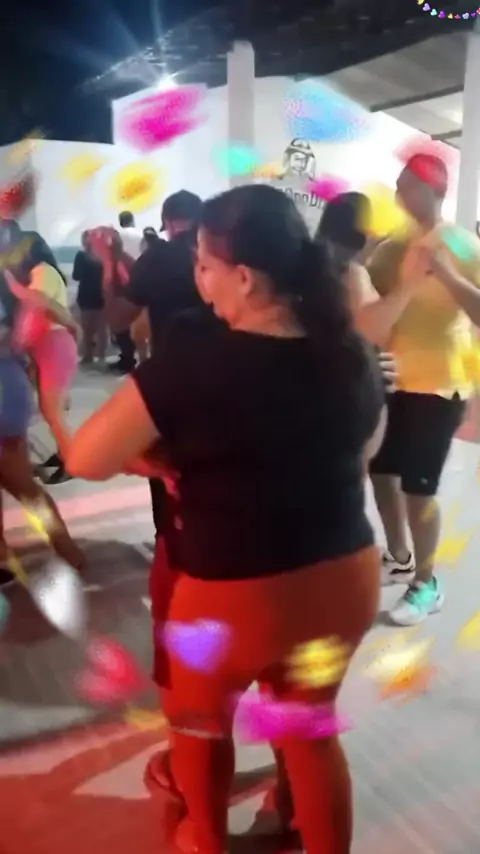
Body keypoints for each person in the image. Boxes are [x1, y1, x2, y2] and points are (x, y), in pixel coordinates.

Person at [52, 185, 385, 854]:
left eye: (204, 264)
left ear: (245, 277)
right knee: (307, 729)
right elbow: (367, 447)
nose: (198, 279)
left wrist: (151, 457)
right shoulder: (347, 348)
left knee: (199, 724)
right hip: (345, 580)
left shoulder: (194, 364)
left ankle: (204, 838)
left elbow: (85, 457)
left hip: (233, 601)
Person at [367, 153, 480, 626]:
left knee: (419, 489)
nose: (399, 194)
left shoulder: (463, 244)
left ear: (434, 189)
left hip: (440, 386)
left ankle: (426, 582)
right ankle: (399, 557)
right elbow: (369, 303)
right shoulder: (392, 247)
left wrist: (447, 275)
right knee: (380, 472)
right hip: (392, 378)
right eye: (397, 185)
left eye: (407, 185)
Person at [0, 272, 83, 588]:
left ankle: (68, 551)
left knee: (21, 483)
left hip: (4, 392)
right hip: (9, 386)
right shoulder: (8, 280)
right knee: (21, 483)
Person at [6, 238, 80, 486]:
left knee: (53, 412)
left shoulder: (42, 271)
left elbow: (38, 302)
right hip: (50, 347)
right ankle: (63, 453)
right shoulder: (39, 273)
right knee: (50, 411)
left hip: (54, 346)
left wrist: (13, 286)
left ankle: (71, 461)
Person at [72, 231, 107, 367]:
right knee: (102, 327)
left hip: (86, 294)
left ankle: (88, 356)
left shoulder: (81, 256)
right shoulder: (102, 256)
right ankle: (101, 356)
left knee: (87, 328)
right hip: (101, 293)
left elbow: (76, 276)